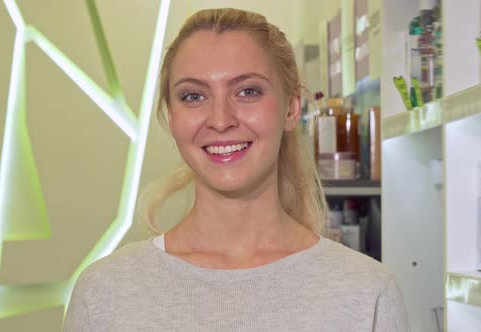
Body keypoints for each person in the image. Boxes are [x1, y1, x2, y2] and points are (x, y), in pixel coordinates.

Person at [64, 8, 409, 331]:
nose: (221, 120)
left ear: (291, 109)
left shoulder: (366, 294)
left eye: (247, 91)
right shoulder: (104, 295)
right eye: (193, 96)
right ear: (171, 117)